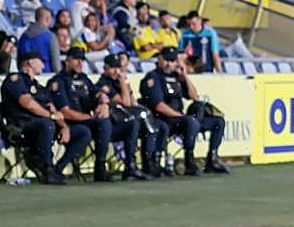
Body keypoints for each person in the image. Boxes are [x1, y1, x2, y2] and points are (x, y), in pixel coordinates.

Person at [0, 50, 90, 185]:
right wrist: (51, 116)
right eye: (41, 61)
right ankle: (46, 169)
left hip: (44, 126)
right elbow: (28, 103)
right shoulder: (15, 80)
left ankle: (57, 169)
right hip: (22, 126)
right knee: (47, 124)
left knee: (83, 132)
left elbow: (52, 108)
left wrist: (64, 126)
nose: (43, 66)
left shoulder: (37, 86)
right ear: (30, 63)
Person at [140, 47, 228, 175]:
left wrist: (185, 76)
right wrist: (180, 116)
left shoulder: (176, 77)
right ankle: (189, 161)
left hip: (179, 120)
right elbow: (159, 106)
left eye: (172, 60)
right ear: (159, 59)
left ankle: (212, 159)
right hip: (163, 119)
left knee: (218, 121)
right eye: (166, 60)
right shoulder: (153, 78)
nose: (169, 64)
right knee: (191, 121)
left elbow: (194, 97)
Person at [48, 46, 115, 181]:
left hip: (85, 121)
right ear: (67, 61)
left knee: (107, 122)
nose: (80, 63)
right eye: (76, 59)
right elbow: (65, 112)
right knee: (94, 127)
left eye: (82, 60)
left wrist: (103, 102)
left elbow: (97, 92)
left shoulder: (83, 78)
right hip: (67, 124)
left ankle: (101, 167)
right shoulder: (58, 81)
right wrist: (91, 117)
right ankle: (59, 168)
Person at [94, 53, 156, 179]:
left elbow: (133, 103)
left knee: (151, 126)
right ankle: (132, 166)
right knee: (134, 124)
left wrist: (125, 86)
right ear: (105, 68)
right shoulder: (104, 84)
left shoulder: (117, 83)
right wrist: (123, 82)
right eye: (112, 67)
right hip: (112, 125)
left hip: (125, 121)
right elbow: (126, 103)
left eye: (118, 67)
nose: (116, 71)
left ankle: (147, 164)